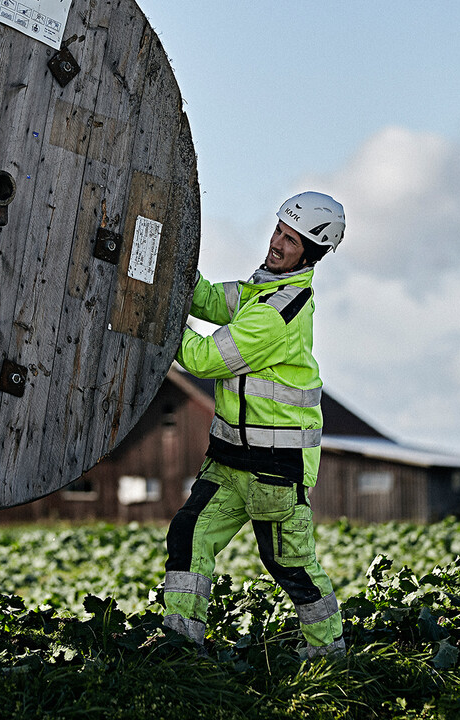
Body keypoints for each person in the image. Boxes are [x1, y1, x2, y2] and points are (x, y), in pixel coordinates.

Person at [162, 191, 346, 660]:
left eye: (291, 239)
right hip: (229, 458)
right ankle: (182, 647)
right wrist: (167, 264)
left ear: (311, 253)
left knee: (291, 565)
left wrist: (158, 318)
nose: (277, 243)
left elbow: (202, 359)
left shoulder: (275, 312)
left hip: (273, 468)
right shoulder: (259, 291)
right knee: (190, 535)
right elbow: (205, 297)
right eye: (279, 231)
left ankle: (329, 657)